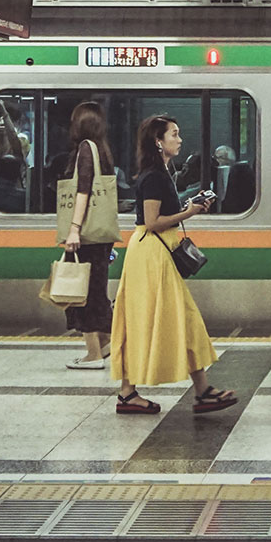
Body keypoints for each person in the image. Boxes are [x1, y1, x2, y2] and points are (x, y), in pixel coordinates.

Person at [110, 114, 234, 416]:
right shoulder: (154, 175)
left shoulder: (161, 171)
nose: (180, 139)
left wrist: (187, 205)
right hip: (151, 255)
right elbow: (151, 222)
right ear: (158, 141)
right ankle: (190, 391)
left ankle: (196, 389)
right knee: (163, 318)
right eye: (174, 134)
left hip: (155, 253)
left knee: (174, 318)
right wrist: (188, 212)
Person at [57, 102, 118, 370]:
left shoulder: (85, 149)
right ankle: (105, 344)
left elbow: (83, 191)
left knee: (81, 294)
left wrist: (73, 229)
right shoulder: (102, 150)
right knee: (95, 291)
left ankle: (92, 354)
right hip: (100, 236)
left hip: (86, 236)